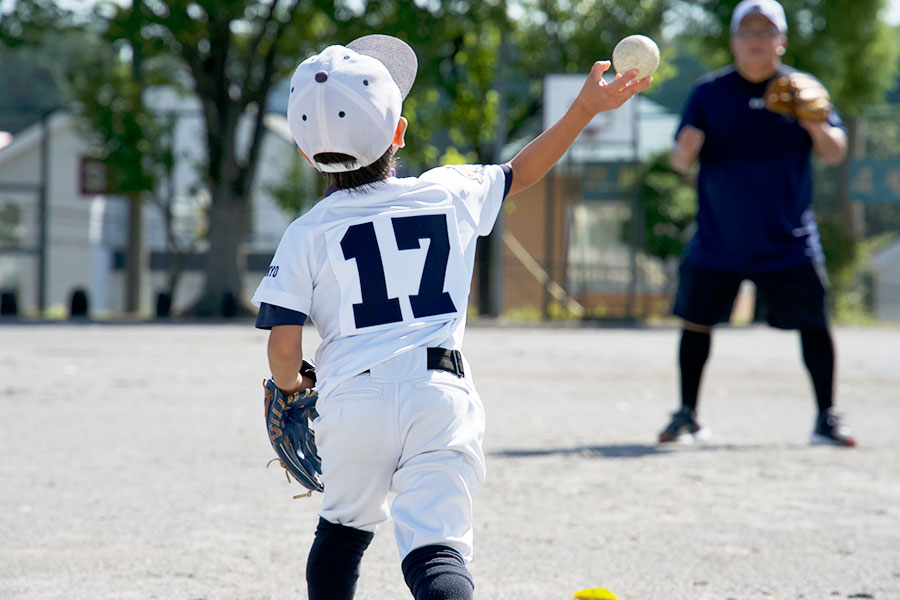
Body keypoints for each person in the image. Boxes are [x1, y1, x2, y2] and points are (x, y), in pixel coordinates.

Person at [251, 34, 651, 600]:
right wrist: (585, 108)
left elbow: (284, 350)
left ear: (303, 152)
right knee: (436, 550)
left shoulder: (305, 233)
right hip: (439, 392)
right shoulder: (448, 191)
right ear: (399, 133)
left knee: (340, 533)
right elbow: (521, 170)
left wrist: (291, 387)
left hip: (352, 400)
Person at [660, 0, 855, 446]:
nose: (755, 40)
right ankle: (687, 414)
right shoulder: (708, 93)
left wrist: (814, 123)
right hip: (719, 235)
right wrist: (685, 151)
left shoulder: (802, 89)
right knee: (695, 321)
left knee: (815, 323)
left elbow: (836, 151)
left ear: (780, 41)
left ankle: (826, 418)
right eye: (747, 31)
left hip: (786, 237)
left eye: (765, 32)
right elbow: (677, 159)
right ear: (734, 41)